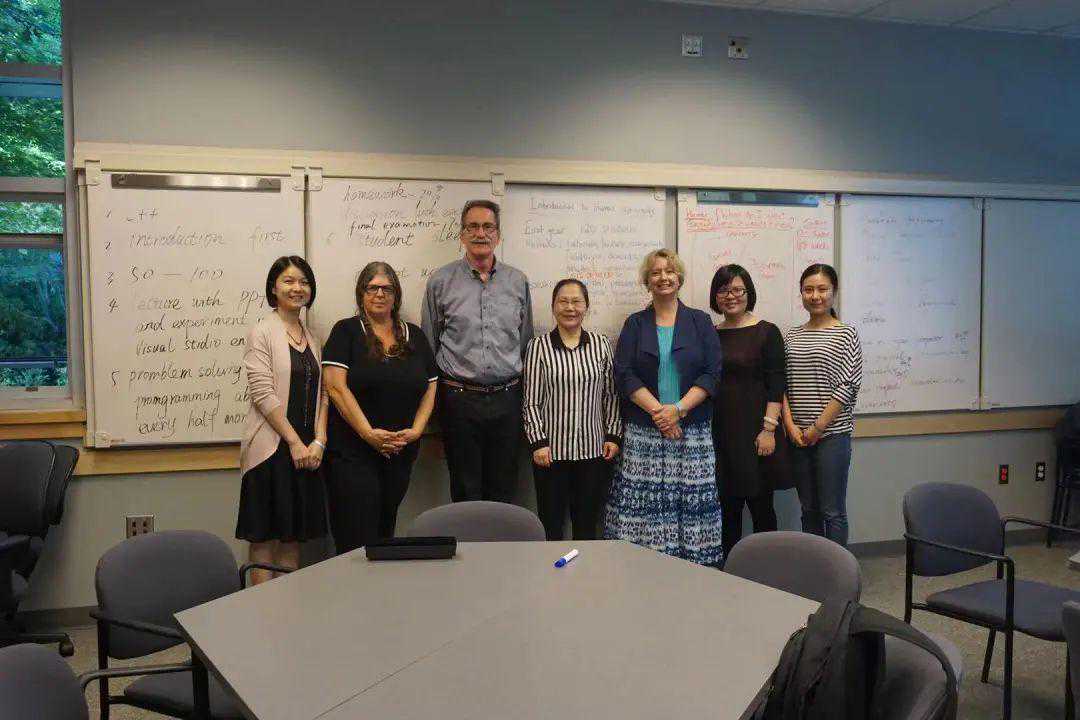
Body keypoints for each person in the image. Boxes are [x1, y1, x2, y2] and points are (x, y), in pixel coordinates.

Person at [605, 248, 724, 565]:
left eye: (669, 271)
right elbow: (624, 373)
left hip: (690, 431)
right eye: (656, 272)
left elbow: (712, 373)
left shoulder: (700, 321)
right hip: (645, 431)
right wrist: (660, 413)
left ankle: (693, 570)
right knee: (646, 505)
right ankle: (643, 569)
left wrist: (678, 410)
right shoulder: (635, 324)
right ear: (647, 281)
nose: (663, 277)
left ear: (679, 277)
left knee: (690, 504)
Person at [421, 200, 534, 503]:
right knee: (465, 490)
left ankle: (499, 539)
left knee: (504, 490)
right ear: (462, 234)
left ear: (498, 235)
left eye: (487, 227)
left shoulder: (518, 282)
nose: (480, 233)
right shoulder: (440, 282)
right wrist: (432, 415)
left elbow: (526, 343)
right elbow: (429, 346)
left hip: (508, 399)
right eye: (472, 226)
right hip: (458, 401)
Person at [322, 262, 438, 554]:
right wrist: (368, 433)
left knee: (384, 538)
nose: (379, 294)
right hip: (353, 454)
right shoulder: (346, 332)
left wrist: (417, 430)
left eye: (387, 288)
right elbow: (336, 388)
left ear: (396, 295)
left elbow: (431, 385)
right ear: (361, 293)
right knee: (355, 542)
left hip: (399, 454)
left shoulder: (414, 336)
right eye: (372, 288)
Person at [237, 256, 328, 584]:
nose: (297, 288)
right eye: (289, 281)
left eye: (303, 281)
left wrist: (319, 441)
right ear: (273, 288)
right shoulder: (262, 332)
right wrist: (294, 442)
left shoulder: (312, 337)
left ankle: (287, 609)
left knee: (292, 538)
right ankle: (261, 610)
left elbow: (324, 394)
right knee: (264, 539)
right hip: (272, 449)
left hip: (305, 452)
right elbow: (263, 394)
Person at [523, 278, 621, 541]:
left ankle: (585, 570)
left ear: (586, 306)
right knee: (551, 525)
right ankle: (552, 568)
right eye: (563, 301)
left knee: (587, 526)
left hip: (593, 452)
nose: (570, 308)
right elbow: (531, 401)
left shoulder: (601, 345)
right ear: (553, 306)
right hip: (550, 454)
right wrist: (538, 443)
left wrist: (613, 436)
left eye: (577, 301)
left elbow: (611, 395)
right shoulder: (538, 347)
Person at [710, 264, 792, 558]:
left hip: (757, 432)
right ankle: (730, 570)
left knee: (761, 507)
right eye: (723, 290)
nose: (730, 296)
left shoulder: (767, 332)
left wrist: (769, 429)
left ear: (749, 293)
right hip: (721, 434)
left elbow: (776, 384)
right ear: (715, 296)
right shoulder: (711, 333)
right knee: (727, 507)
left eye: (737, 289)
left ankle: (767, 568)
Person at [782, 263, 863, 547]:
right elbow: (782, 385)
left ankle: (838, 570)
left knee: (832, 511)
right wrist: (790, 426)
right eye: (808, 290)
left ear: (834, 292)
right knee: (809, 510)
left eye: (822, 289)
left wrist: (818, 428)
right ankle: (814, 567)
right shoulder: (792, 335)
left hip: (832, 435)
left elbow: (848, 385)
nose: (815, 296)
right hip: (798, 437)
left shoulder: (846, 334)